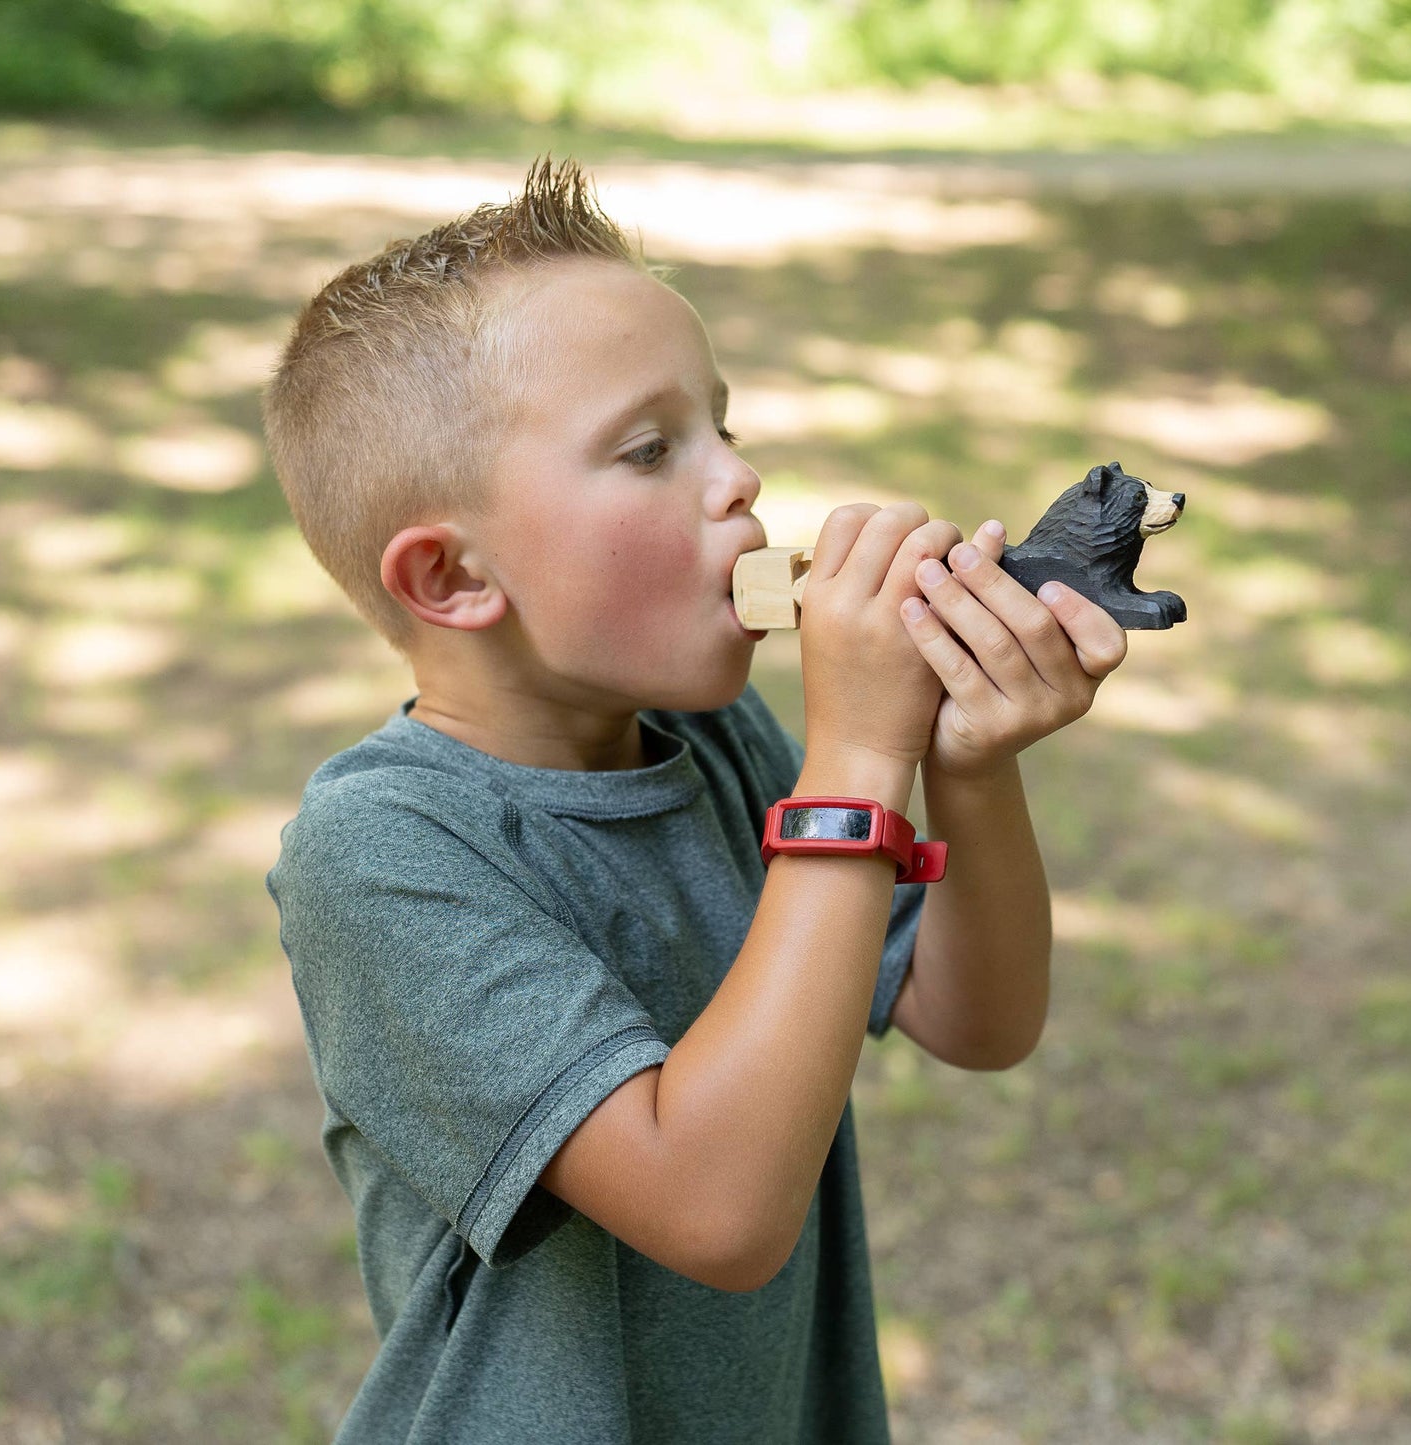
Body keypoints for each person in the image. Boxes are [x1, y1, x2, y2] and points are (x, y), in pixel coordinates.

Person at [263, 156, 1126, 1444]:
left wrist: (964, 764)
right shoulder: (382, 853)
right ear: (449, 576)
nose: (739, 482)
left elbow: (978, 1018)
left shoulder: (712, 736)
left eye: (724, 426)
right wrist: (852, 765)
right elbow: (716, 1211)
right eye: (650, 447)